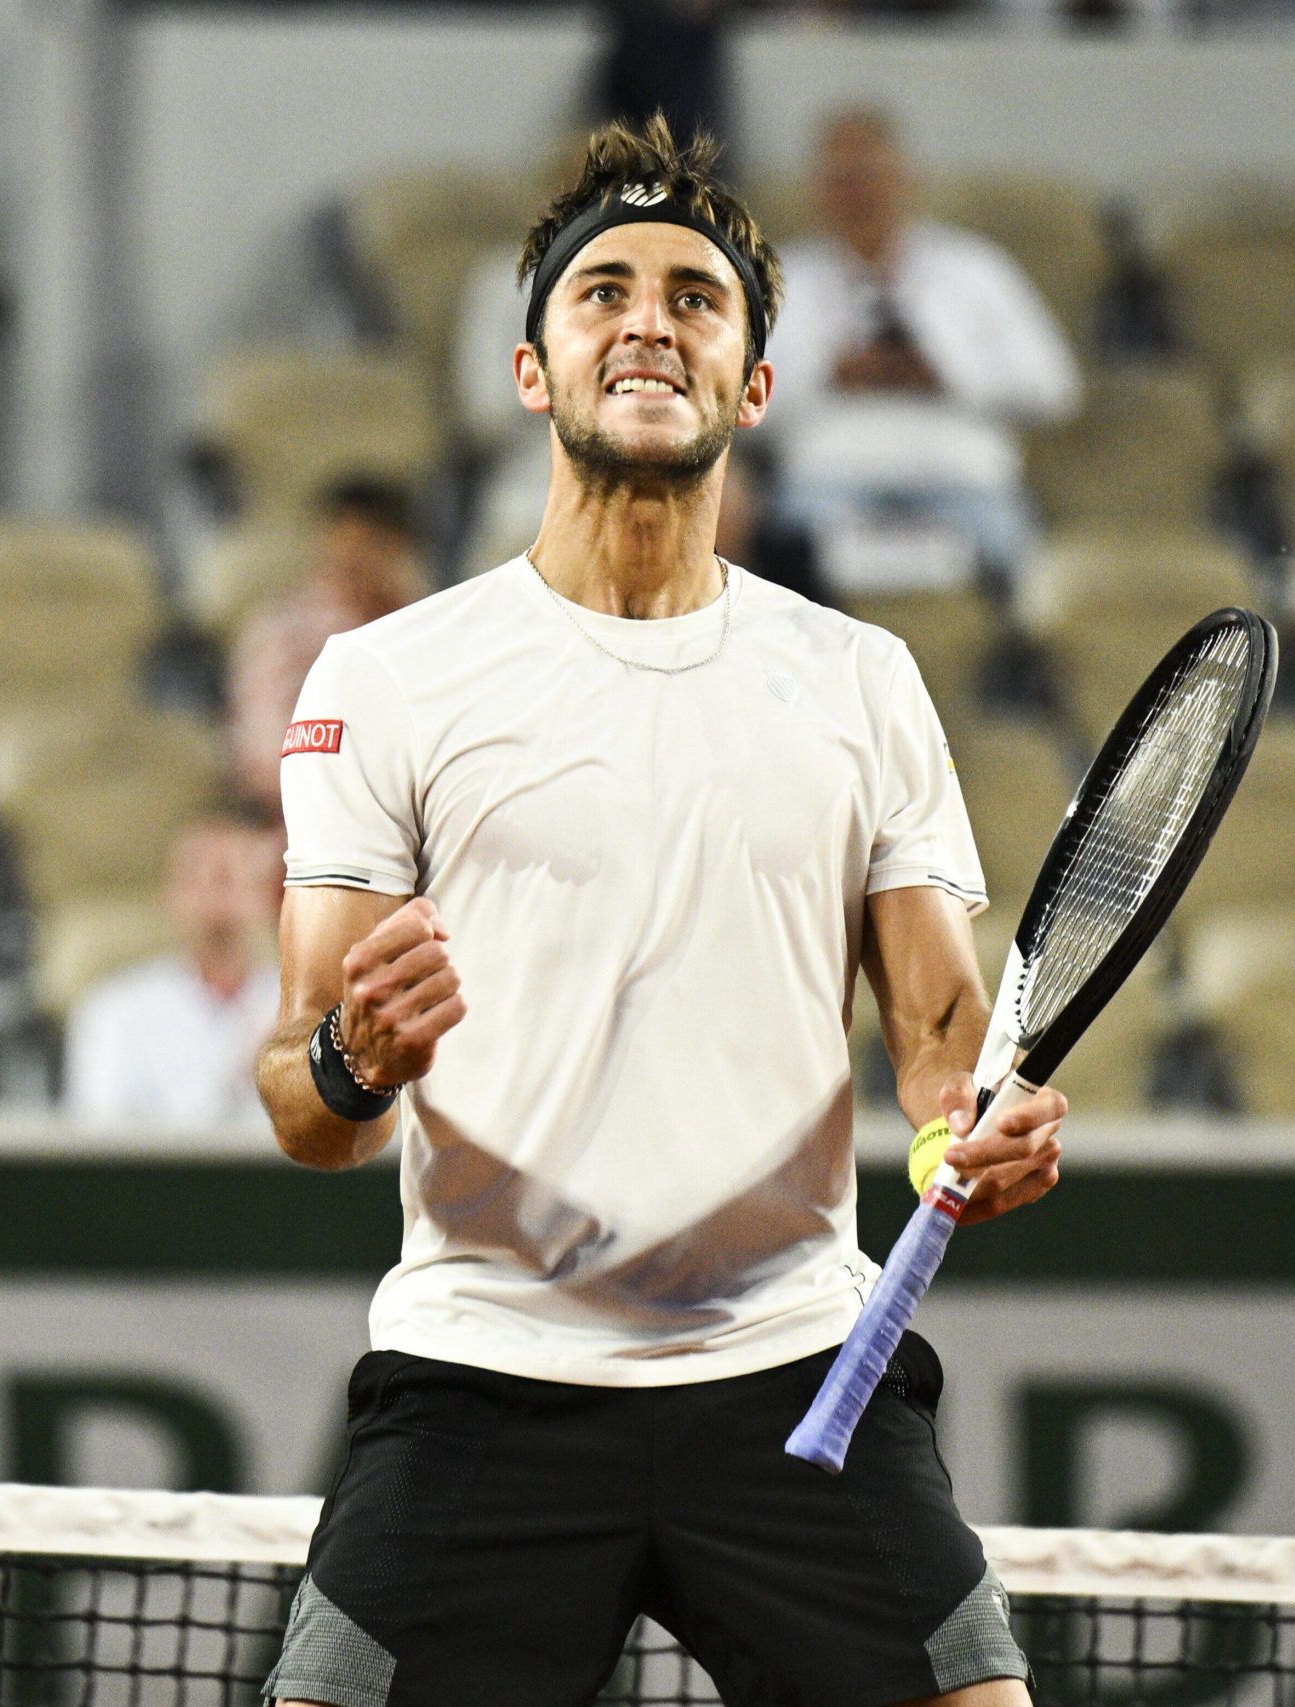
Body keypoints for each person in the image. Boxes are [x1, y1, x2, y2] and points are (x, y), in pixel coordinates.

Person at [257, 116, 1066, 1707]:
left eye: (697, 298)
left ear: (754, 385)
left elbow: (938, 1035)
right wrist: (356, 1053)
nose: (649, 322)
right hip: (485, 1369)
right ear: (532, 369)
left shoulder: (862, 681)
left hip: (796, 1378)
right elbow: (306, 1106)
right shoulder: (387, 677)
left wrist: (976, 1121)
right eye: (604, 292)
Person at [762, 108, 1078, 591]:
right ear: (815, 192)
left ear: (906, 180)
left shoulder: (977, 269)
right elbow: (726, 408)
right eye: (841, 181)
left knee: (1019, 563)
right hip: (828, 485)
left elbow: (1056, 389)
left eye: (870, 176)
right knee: (782, 557)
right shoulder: (779, 280)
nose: (858, 194)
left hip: (964, 486)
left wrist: (944, 375)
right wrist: (831, 374)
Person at [64, 815, 283, 1132]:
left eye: (226, 877)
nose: (211, 894)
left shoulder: (306, 1010)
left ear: (267, 893)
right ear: (170, 892)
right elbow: (100, 1141)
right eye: (194, 877)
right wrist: (239, 1079)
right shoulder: (114, 1013)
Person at [225, 478, 425, 812]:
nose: (355, 557)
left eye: (371, 543)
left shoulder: (424, 626)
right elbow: (265, 754)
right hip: (302, 813)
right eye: (345, 541)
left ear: (400, 548)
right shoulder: (281, 631)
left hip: (406, 810)